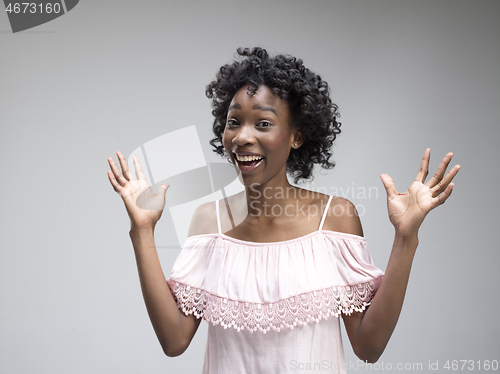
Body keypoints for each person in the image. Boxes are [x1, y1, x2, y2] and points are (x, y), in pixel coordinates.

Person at [107, 47, 460, 373]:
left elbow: (369, 347)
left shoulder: (334, 219)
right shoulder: (208, 222)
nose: (242, 137)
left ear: (296, 136)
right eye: (234, 122)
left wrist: (405, 237)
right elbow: (174, 340)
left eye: (263, 123)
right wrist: (142, 231)